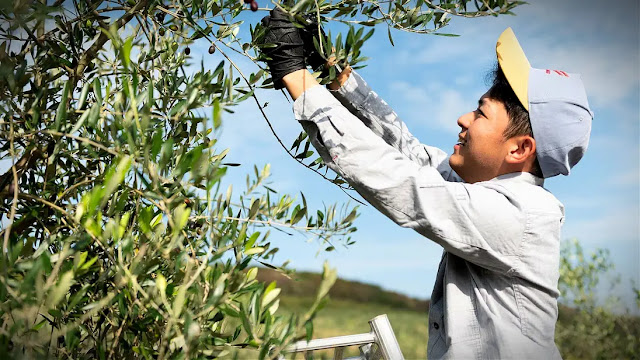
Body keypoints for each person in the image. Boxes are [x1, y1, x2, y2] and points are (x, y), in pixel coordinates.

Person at [259, 8, 593, 359]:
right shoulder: (488, 194)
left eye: (480, 113)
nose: (463, 119)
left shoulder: (521, 215)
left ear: (519, 148)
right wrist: (334, 71)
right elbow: (411, 154)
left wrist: (296, 77)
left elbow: (403, 184)